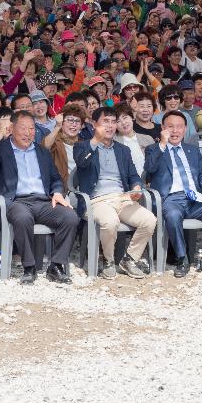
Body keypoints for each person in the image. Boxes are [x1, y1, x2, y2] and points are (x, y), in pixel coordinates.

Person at [0, 110, 78, 285]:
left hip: (44, 201)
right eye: (23, 128)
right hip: (18, 201)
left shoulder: (41, 151)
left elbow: (56, 178)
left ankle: (56, 265)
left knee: (70, 217)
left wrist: (57, 192)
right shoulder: (3, 148)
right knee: (22, 218)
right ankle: (29, 267)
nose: (28, 132)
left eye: (31, 128)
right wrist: (0, 136)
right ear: (12, 128)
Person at [144, 110, 202, 277]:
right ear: (163, 129)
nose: (175, 131)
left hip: (195, 198)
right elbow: (150, 169)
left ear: (185, 129)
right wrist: (163, 144)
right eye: (170, 127)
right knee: (172, 215)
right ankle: (182, 259)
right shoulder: (154, 149)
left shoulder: (192, 150)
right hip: (171, 199)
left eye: (179, 127)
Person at [71, 106, 157, 279]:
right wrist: (95, 141)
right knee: (110, 222)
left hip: (122, 198)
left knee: (149, 220)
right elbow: (81, 163)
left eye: (113, 122)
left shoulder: (122, 150)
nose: (110, 126)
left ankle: (129, 259)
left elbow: (134, 175)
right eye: (105, 122)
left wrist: (137, 188)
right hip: (96, 201)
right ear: (95, 124)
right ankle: (108, 261)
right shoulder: (81, 146)